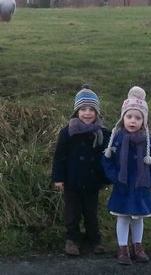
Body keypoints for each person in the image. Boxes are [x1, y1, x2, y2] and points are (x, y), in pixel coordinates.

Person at [102, 86, 151, 265]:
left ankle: (138, 246)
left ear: (144, 120)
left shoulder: (150, 142)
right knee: (122, 218)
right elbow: (107, 160)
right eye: (129, 116)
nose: (133, 121)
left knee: (138, 219)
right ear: (123, 118)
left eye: (138, 117)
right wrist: (114, 176)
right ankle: (122, 248)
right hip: (122, 186)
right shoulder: (117, 138)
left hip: (141, 187)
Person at [51, 85, 111, 256]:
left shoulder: (103, 133)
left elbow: (107, 158)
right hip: (72, 181)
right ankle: (72, 240)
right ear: (77, 111)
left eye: (91, 109)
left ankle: (94, 240)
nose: (87, 113)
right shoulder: (68, 132)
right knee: (72, 213)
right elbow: (60, 157)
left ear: (97, 112)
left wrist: (106, 178)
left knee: (91, 213)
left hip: (92, 182)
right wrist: (58, 178)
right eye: (83, 109)